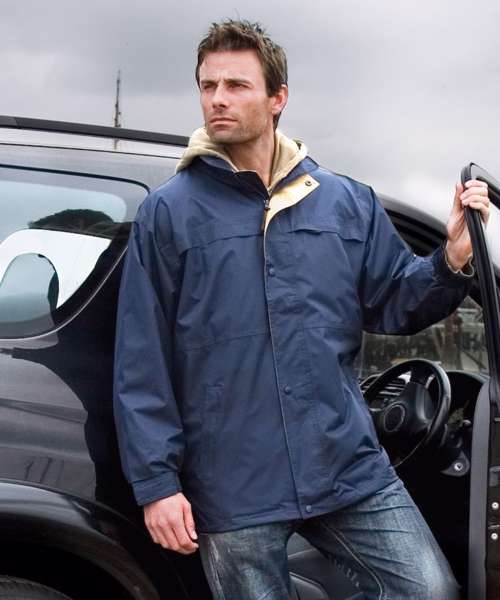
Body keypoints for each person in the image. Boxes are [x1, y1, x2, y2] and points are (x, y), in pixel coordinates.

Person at [113, 19, 490, 600]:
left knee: (430, 590)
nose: (217, 99)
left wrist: (452, 258)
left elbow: (396, 301)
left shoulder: (344, 202)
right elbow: (142, 359)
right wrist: (157, 484)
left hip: (344, 463)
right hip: (233, 483)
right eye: (208, 85)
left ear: (278, 98)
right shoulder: (170, 213)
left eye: (236, 85)